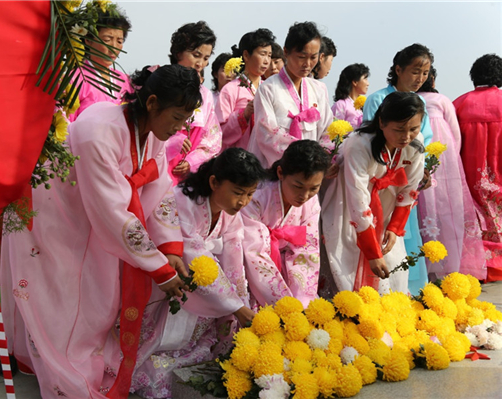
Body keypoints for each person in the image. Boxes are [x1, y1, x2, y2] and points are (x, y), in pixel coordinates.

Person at [0, 65, 201, 398]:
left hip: (91, 220)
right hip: (55, 216)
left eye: (185, 120)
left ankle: (86, 365)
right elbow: (111, 210)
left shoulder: (151, 134)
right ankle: (64, 376)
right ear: (152, 103)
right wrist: (161, 270)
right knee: (58, 297)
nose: (180, 127)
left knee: (98, 298)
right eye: (176, 117)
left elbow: (161, 191)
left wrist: (170, 249)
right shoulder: (99, 129)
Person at [108, 148, 264, 398]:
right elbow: (193, 254)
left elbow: (233, 260)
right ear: (214, 182)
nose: (243, 202)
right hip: (167, 276)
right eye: (237, 192)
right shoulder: (183, 201)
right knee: (154, 337)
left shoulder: (230, 213)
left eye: (249, 194)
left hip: (202, 283)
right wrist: (235, 306)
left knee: (206, 332)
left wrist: (241, 302)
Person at [322, 92, 426, 294]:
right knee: (347, 256)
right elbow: (357, 199)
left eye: (413, 129)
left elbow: (410, 188)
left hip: (385, 203)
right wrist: (371, 252)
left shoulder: (415, 143)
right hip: (347, 205)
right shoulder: (359, 145)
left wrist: (395, 228)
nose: (406, 137)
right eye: (399, 130)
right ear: (381, 123)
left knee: (393, 257)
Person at [363, 43, 434, 295]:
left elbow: (423, 140)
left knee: (403, 230)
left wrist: (423, 169)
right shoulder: (378, 99)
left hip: (406, 177)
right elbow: (371, 140)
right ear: (399, 69)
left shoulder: (420, 103)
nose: (420, 78)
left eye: (425, 73)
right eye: (415, 71)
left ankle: (410, 289)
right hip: (381, 179)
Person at [416, 67, 487, 280]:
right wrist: (454, 159)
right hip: (445, 161)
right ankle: (450, 263)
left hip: (420, 158)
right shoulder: (442, 100)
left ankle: (427, 263)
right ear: (434, 81)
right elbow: (455, 134)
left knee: (424, 209)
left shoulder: (412, 100)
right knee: (449, 209)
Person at [242, 140, 330, 307]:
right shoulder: (256, 196)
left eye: (314, 189)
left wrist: (300, 302)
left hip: (283, 267)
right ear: (281, 173)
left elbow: (306, 251)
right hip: (249, 264)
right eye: (298, 186)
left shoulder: (311, 204)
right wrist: (282, 302)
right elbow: (253, 251)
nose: (304, 196)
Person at [248, 21, 333, 169]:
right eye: (302, 57)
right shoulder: (268, 89)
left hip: (310, 172)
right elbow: (267, 135)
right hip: (277, 170)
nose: (307, 64)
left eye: (313, 57)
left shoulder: (319, 89)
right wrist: (303, 159)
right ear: (286, 52)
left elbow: (327, 130)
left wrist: (324, 159)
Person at [453, 53, 502, 282]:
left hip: (468, 174)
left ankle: (478, 266)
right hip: (499, 173)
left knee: (475, 220)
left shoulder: (460, 104)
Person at [164, 21, 222, 185]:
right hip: (157, 167)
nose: (200, 64)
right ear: (178, 52)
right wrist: (171, 143)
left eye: (205, 58)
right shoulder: (160, 83)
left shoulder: (206, 95)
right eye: (196, 55)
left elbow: (213, 139)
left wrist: (192, 161)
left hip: (187, 175)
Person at [68, 3, 132, 121]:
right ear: (88, 40)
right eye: (107, 40)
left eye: (119, 41)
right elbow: (66, 124)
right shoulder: (74, 79)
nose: (114, 47)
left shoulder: (125, 81)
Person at [217, 28, 275, 150]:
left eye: (269, 55)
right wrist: (244, 114)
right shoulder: (230, 89)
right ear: (246, 55)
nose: (266, 61)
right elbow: (219, 133)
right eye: (262, 54)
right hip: (239, 159)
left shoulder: (270, 88)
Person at [332, 63, 370, 129]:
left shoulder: (364, 105)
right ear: (355, 82)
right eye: (365, 78)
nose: (368, 84)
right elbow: (335, 132)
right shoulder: (341, 105)